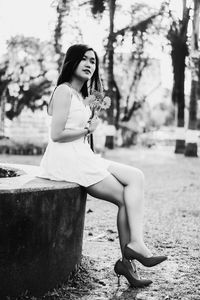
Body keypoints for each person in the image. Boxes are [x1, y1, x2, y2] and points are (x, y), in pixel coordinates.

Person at [39, 44, 167, 288]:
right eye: (84, 59)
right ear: (72, 62)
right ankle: (129, 261)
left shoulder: (82, 96)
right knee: (123, 197)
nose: (90, 64)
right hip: (66, 159)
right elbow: (56, 134)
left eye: (93, 61)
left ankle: (135, 245)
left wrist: (89, 126)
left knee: (136, 176)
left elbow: (78, 132)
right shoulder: (64, 91)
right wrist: (87, 129)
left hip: (83, 154)